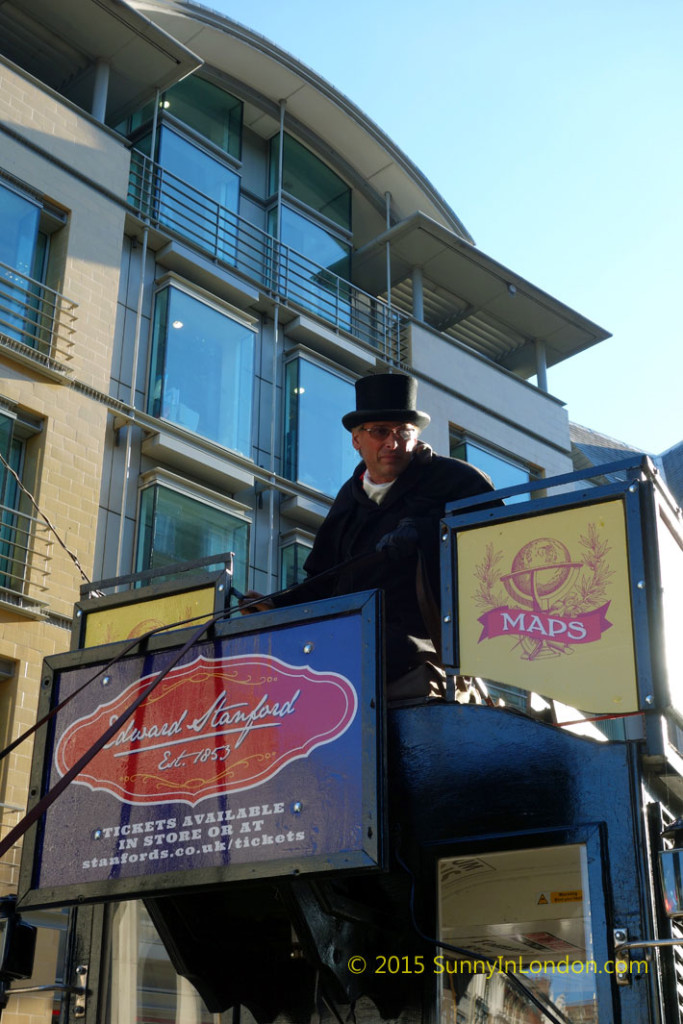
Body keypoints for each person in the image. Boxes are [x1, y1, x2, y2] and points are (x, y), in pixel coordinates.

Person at [242, 372, 496, 698]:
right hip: (351, 647)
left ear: (416, 437)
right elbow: (321, 582)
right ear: (356, 440)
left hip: (424, 648)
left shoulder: (458, 481)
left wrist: (426, 532)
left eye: (403, 432)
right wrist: (275, 605)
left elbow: (494, 554)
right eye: (379, 432)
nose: (392, 443)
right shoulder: (347, 500)